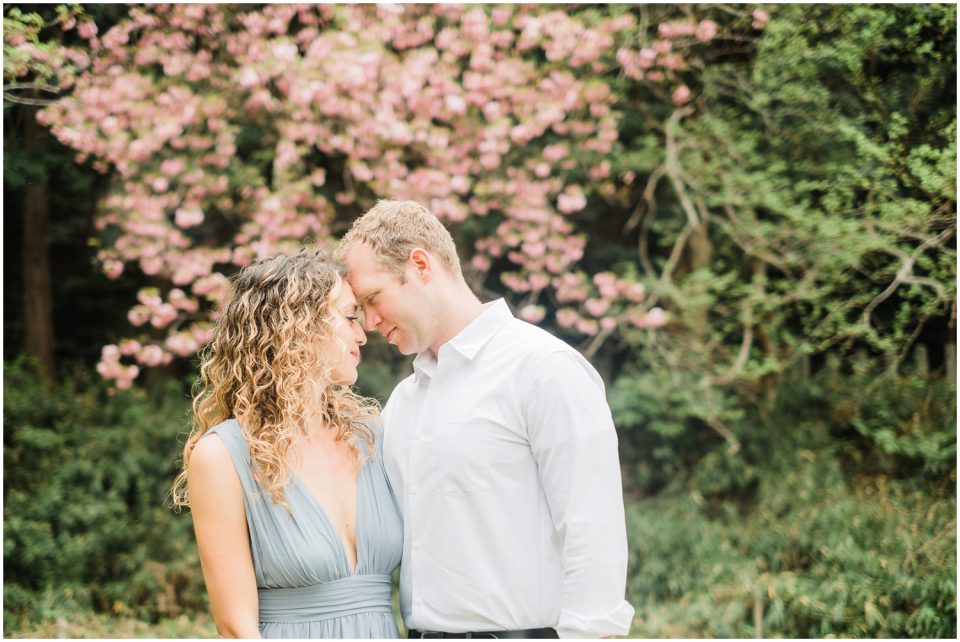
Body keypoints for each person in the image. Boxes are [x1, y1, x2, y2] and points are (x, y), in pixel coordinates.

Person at [337, 200, 635, 639]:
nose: (370, 321)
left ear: (420, 264)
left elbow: (594, 537)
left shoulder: (543, 369)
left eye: (373, 299)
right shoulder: (402, 403)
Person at [171, 249, 403, 638]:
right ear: (297, 326)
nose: (362, 334)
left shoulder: (371, 434)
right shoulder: (224, 456)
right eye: (349, 317)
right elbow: (235, 628)